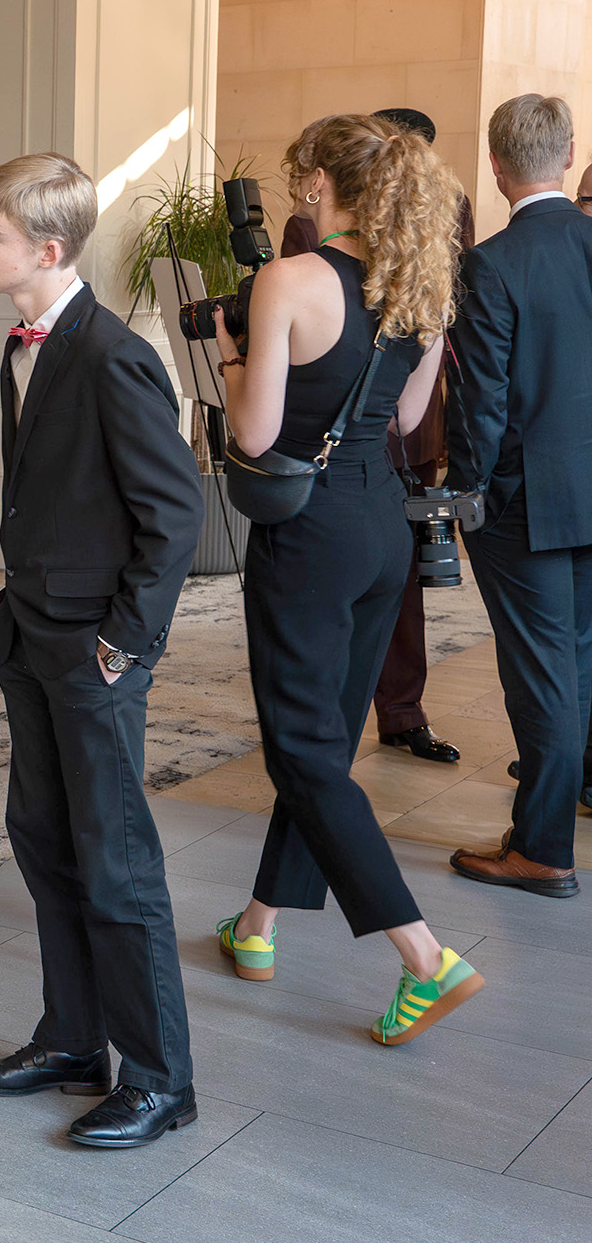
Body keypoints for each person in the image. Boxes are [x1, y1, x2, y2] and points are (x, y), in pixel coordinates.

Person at [209, 113, 489, 1041]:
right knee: (322, 738)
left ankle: (424, 957)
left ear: (319, 183)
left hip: (311, 531)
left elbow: (253, 434)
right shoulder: (417, 284)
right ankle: (257, 927)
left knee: (300, 748)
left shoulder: (288, 279)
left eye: (302, 179)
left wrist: (227, 351)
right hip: (383, 527)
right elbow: (410, 419)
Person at [0, 153, 204, 1149]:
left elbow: (175, 512)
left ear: (46, 250)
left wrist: (123, 645)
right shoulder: (21, 346)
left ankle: (159, 1078)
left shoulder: (110, 354)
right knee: (44, 841)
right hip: (30, 631)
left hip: (92, 649)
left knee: (117, 865)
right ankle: (71, 1037)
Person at [281, 108, 471, 765]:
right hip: (352, 456)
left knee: (307, 750)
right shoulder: (314, 237)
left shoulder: (439, 221)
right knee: (315, 736)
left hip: (362, 460)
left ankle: (398, 713)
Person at [447, 93, 592, 899]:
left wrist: (474, 494)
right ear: (568, 155)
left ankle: (542, 850)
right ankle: (539, 828)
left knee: (542, 677)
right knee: (574, 666)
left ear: (496, 165)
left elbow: (481, 404)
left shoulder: (491, 264)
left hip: (528, 507)